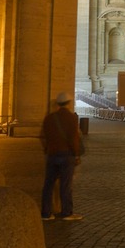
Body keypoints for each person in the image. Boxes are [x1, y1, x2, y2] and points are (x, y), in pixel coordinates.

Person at [40, 92, 84, 221]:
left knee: (48, 185)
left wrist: (47, 149)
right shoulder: (71, 118)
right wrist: (76, 155)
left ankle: (46, 213)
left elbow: (43, 136)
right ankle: (67, 213)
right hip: (66, 155)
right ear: (69, 104)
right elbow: (73, 138)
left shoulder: (49, 118)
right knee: (65, 185)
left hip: (52, 154)